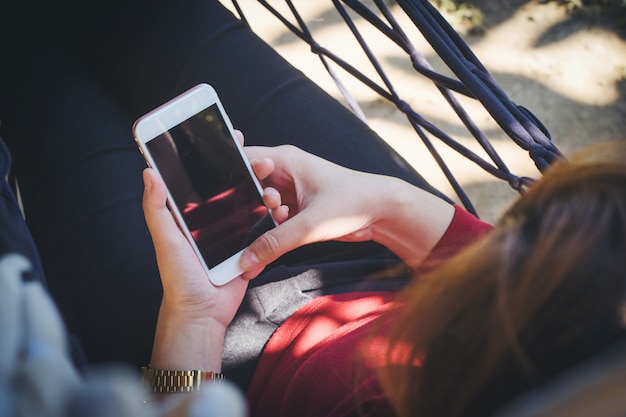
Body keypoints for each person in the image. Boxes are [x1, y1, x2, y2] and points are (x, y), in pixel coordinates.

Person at [1, 0, 625, 416]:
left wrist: (192, 322)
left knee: (36, 76)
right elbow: (495, 260)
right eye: (523, 230)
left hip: (212, 366)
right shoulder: (541, 287)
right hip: (385, 266)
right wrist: (382, 204)